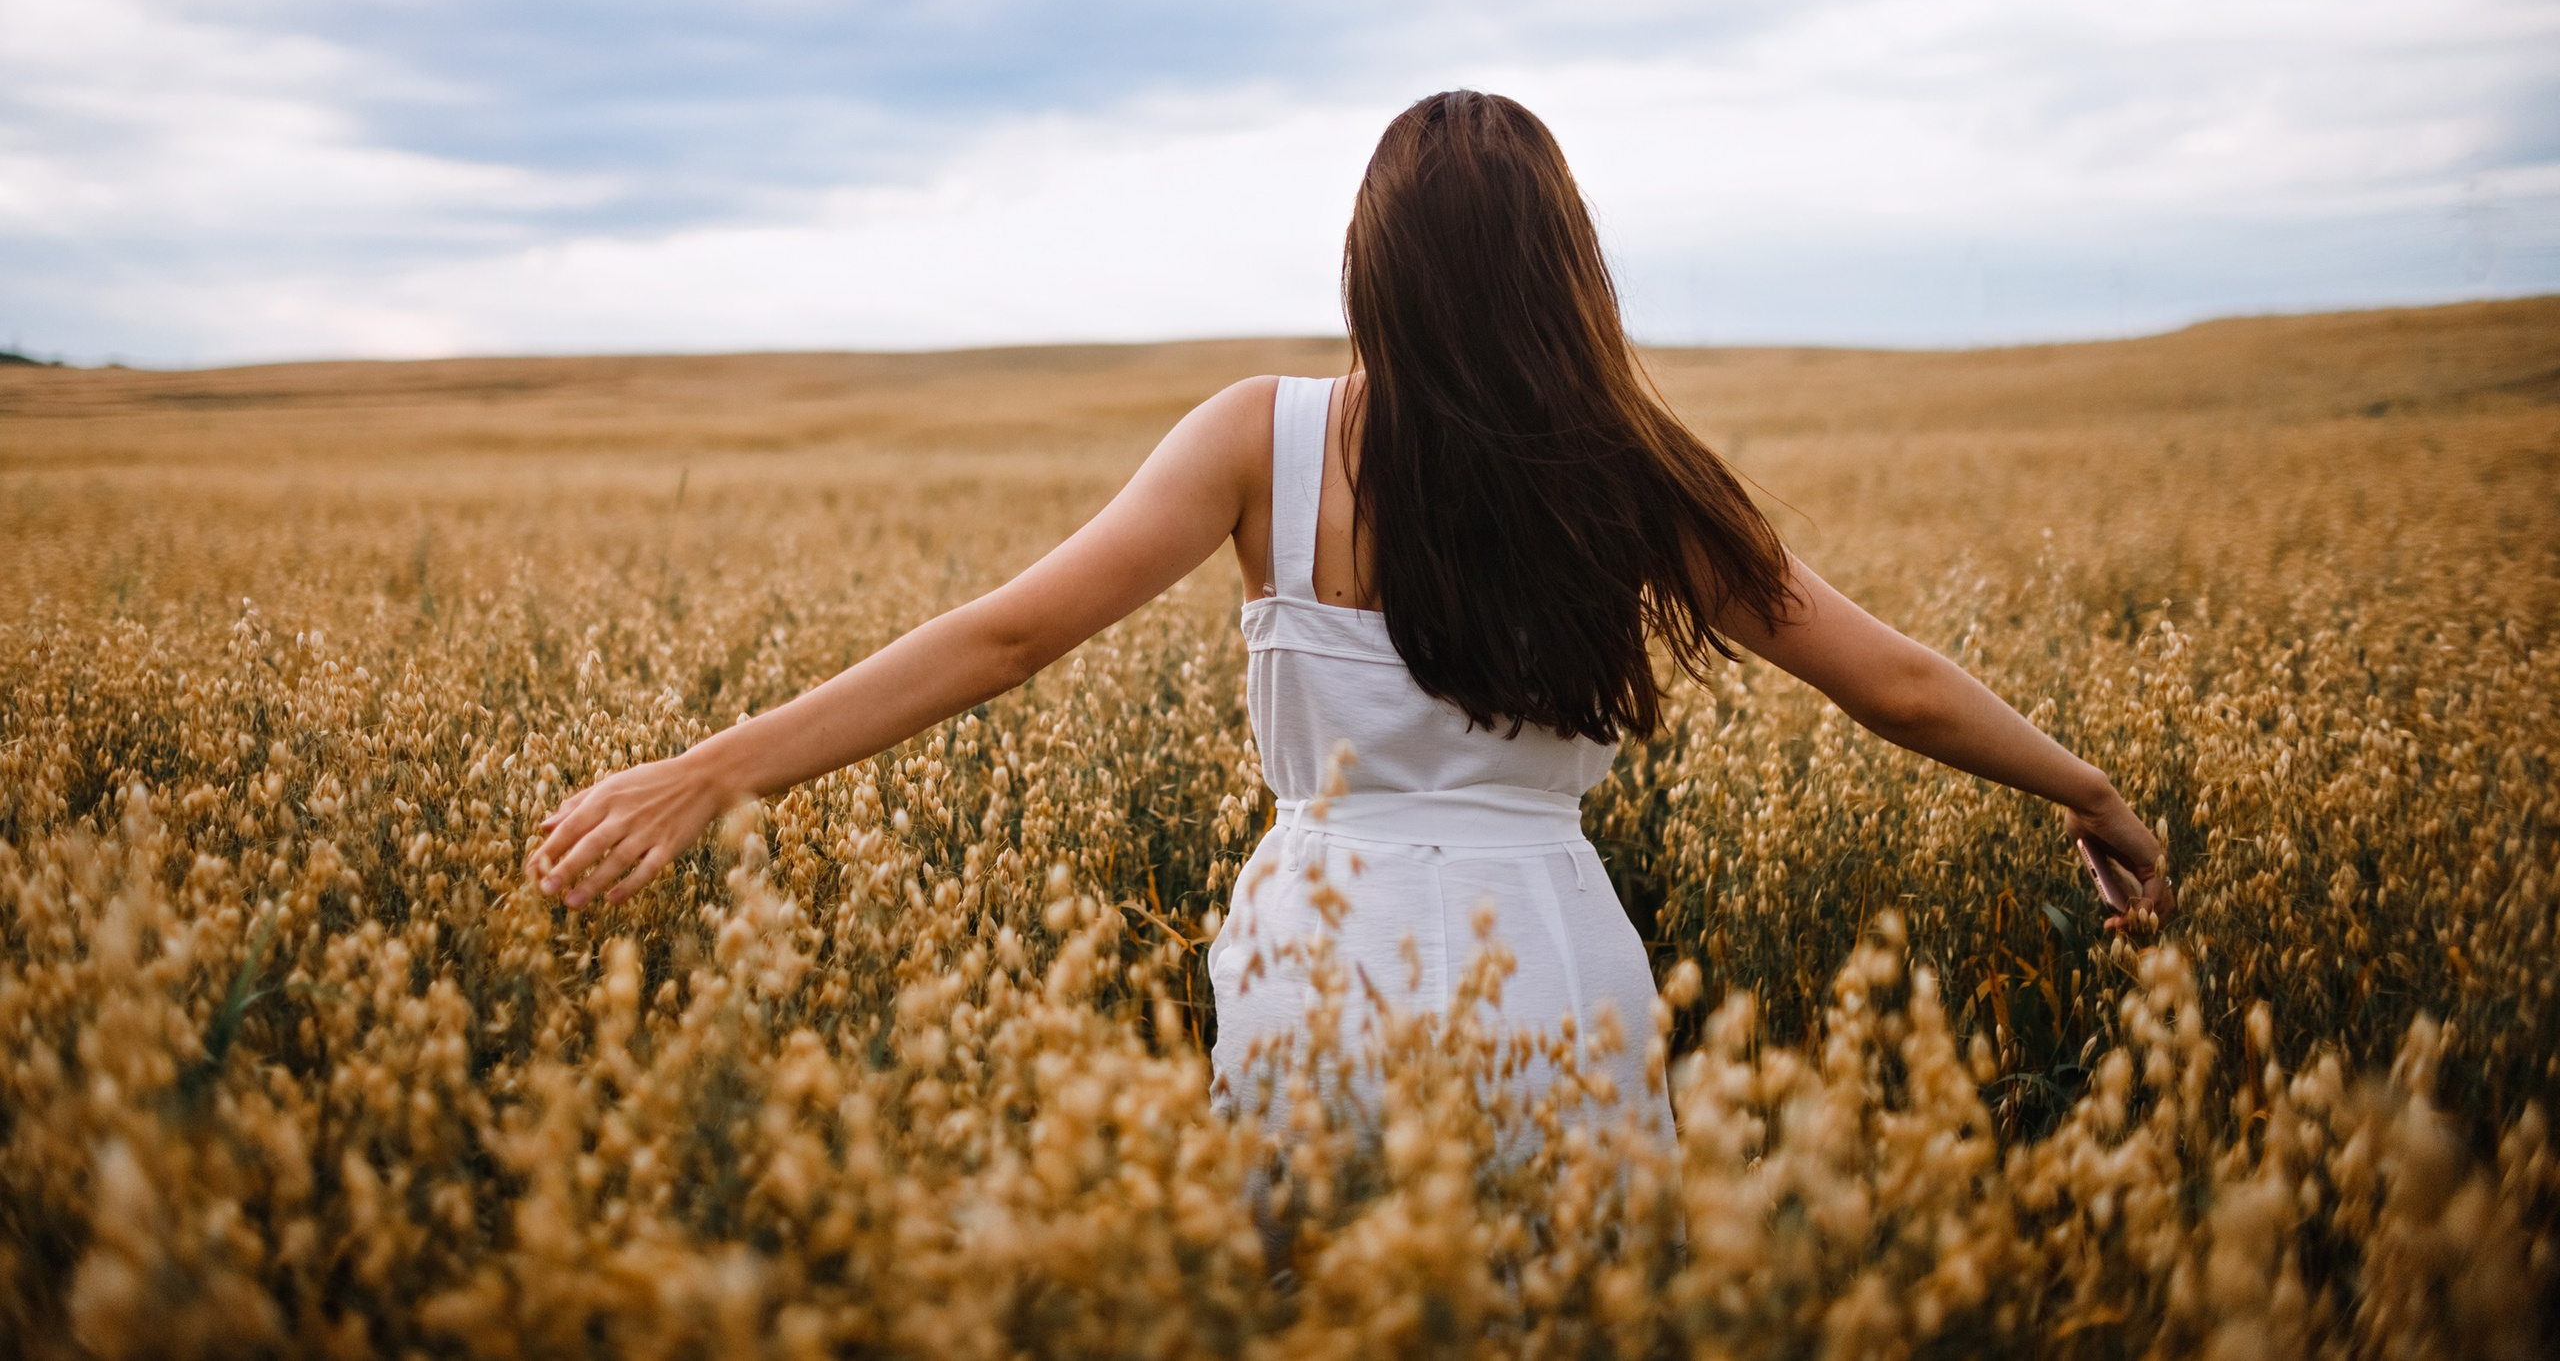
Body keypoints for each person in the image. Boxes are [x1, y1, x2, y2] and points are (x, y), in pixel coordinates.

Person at [526, 90, 2172, 1142]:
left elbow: (1005, 637)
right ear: (1566, 273)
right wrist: (2086, 788)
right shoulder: (1634, 472)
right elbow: (1893, 677)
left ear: (1367, 270)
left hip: (1325, 962)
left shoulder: (1265, 433)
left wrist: (702, 776)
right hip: (1556, 966)